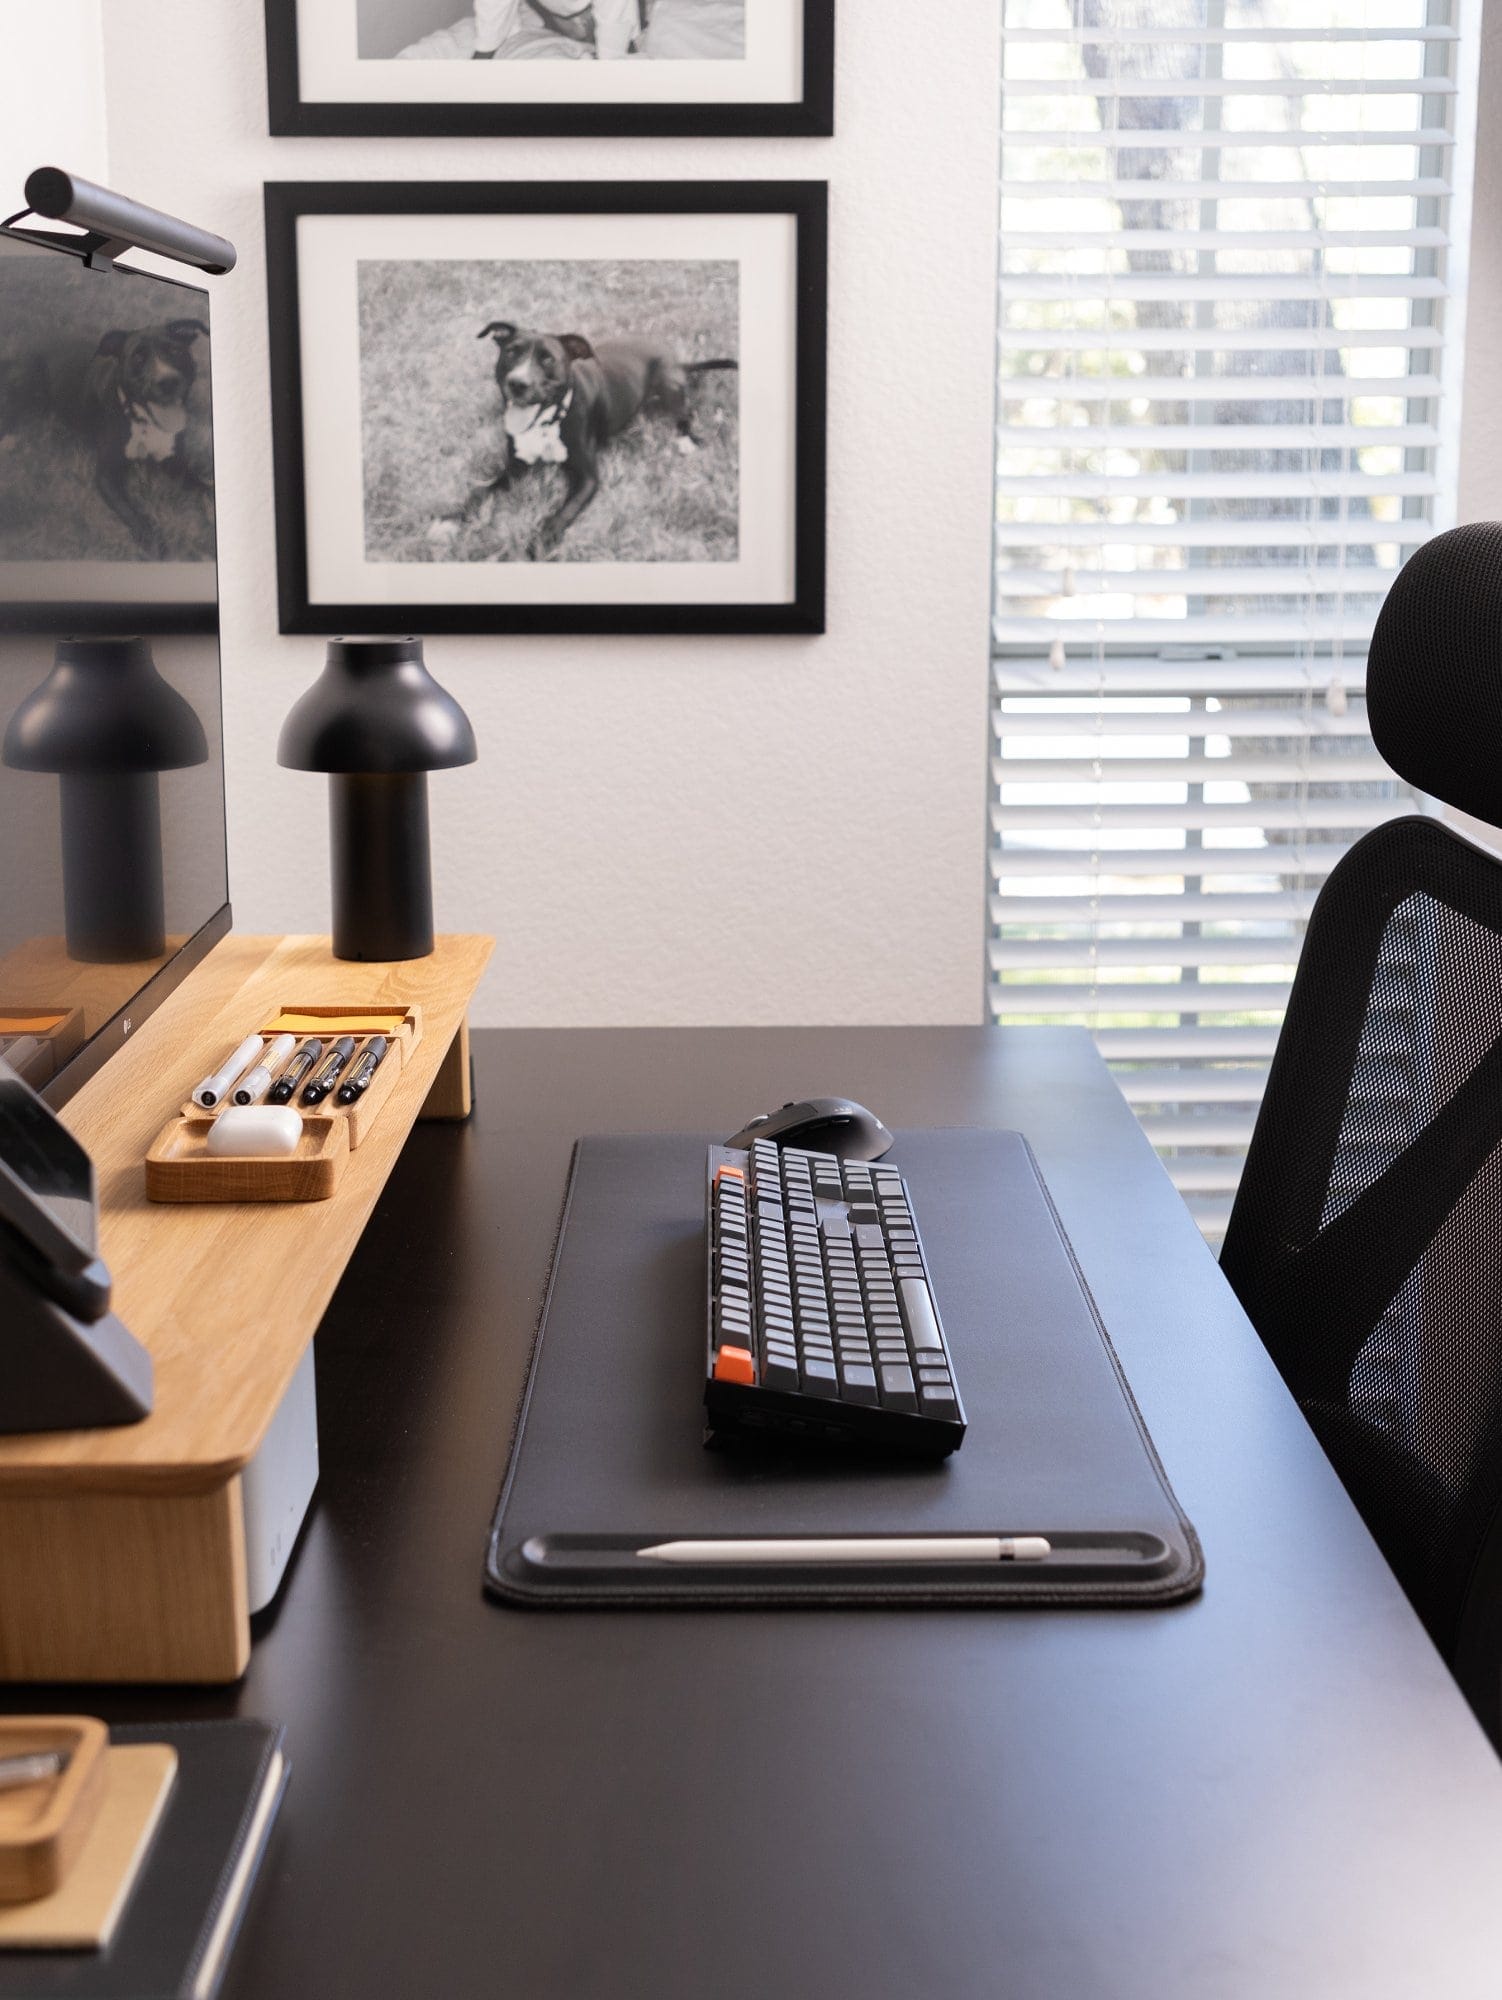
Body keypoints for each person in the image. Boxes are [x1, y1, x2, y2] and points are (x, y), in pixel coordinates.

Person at [471, 0, 643, 60]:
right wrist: (482, 55)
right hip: (555, 15)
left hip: (607, 14)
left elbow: (617, 17)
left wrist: (611, 56)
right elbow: (492, 8)